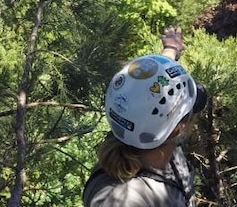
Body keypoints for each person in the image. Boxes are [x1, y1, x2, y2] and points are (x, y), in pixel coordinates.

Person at [82, 28, 208, 207]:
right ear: (178, 128)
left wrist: (170, 51)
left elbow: (150, 91)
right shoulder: (122, 199)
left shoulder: (132, 128)